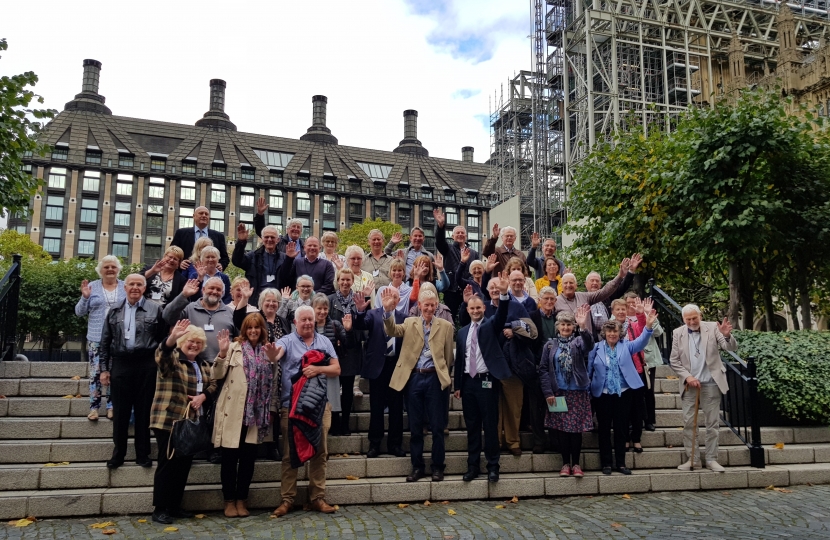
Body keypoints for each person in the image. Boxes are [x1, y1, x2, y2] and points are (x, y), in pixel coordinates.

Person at [271, 306, 341, 517]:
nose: (308, 323)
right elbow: (276, 354)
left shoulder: (324, 342)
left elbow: (336, 369)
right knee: (290, 453)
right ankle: (287, 499)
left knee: (320, 452)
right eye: (304, 320)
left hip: (320, 406)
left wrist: (317, 369)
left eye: (311, 319)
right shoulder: (287, 341)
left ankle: (317, 498)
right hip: (290, 405)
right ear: (295, 321)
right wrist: (272, 354)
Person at [381, 287, 454, 482]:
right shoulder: (409, 322)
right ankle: (417, 466)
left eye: (432, 305)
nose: (429, 308)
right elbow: (392, 330)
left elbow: (448, 357)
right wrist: (388, 312)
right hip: (414, 378)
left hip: (434, 378)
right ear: (419, 306)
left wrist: (443, 374)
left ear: (436, 306)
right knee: (415, 426)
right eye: (426, 305)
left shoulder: (446, 326)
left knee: (438, 426)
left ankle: (438, 466)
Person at [212, 316, 281, 518]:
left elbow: (273, 380)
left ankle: (242, 499)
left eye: (257, 327)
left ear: (262, 329)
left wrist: (272, 360)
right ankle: (229, 501)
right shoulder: (234, 347)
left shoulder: (267, 349)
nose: (253, 331)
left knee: (248, 460)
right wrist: (222, 353)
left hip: (256, 415)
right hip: (233, 411)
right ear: (244, 329)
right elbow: (215, 375)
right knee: (229, 460)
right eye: (249, 327)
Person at [149, 320, 217, 525]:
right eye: (190, 341)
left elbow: (213, 383)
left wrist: (202, 396)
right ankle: (160, 508)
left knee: (183, 465)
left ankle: (174, 506)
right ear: (182, 341)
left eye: (198, 342)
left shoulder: (203, 365)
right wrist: (171, 339)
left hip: (190, 423)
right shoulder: (173, 359)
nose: (194, 345)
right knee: (167, 464)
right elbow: (161, 356)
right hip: (168, 419)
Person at [99, 274, 167, 470]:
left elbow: (163, 340)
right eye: (132, 284)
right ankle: (118, 454)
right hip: (121, 363)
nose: (135, 287)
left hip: (146, 364)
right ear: (125, 287)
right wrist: (104, 369)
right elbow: (105, 342)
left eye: (139, 284)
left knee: (144, 410)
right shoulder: (114, 310)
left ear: (144, 288)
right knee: (120, 412)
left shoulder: (156, 309)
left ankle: (142, 454)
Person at [453, 275, 512, 482]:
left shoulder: (490, 326)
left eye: (479, 308)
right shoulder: (461, 333)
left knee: (490, 424)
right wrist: (457, 386)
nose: (476, 311)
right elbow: (460, 359)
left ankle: (493, 466)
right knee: (472, 426)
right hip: (468, 383)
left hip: (487, 382)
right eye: (472, 308)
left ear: (484, 308)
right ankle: (473, 466)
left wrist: (504, 294)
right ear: (467, 311)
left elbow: (502, 315)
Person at [588, 311, 657, 475]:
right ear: (604, 333)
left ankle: (620, 463)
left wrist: (648, 326)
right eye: (609, 331)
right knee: (604, 429)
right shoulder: (596, 348)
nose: (612, 334)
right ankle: (606, 463)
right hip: (602, 394)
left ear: (620, 333)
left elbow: (642, 342)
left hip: (623, 393)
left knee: (621, 429)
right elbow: (589, 369)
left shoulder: (627, 346)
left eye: (615, 331)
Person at [670, 305, 737, 473]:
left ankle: (712, 459)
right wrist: (688, 376)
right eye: (688, 319)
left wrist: (727, 335)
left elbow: (730, 347)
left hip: (711, 383)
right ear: (683, 319)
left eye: (695, 318)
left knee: (712, 423)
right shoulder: (678, 333)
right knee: (688, 424)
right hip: (689, 385)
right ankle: (693, 459)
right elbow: (674, 360)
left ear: (700, 315)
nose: (692, 322)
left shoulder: (713, 328)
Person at [232, 286, 289, 462]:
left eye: (274, 301)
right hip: (258, 369)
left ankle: (271, 445)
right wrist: (244, 299)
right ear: (261, 303)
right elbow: (238, 319)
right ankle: (256, 444)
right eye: (268, 301)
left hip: (279, 370)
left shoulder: (283, 321)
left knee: (274, 407)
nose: (271, 304)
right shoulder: (256, 319)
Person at [538, 308, 593, 477]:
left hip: (577, 392)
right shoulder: (549, 345)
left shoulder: (578, 342)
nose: (566, 327)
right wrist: (548, 392)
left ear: (573, 326)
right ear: (557, 326)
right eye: (563, 324)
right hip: (558, 392)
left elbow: (589, 345)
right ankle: (565, 464)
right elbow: (543, 369)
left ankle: (576, 464)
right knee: (561, 430)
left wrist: (583, 327)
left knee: (576, 430)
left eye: (569, 324)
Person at [354, 288, 406, 458]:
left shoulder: (404, 318)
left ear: (398, 301)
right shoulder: (373, 314)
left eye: (395, 297)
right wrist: (361, 311)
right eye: (388, 297)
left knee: (396, 408)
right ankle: (374, 444)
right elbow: (360, 325)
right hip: (378, 367)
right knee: (376, 408)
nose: (391, 300)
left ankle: (395, 444)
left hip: (396, 368)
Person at [76, 255, 125, 421]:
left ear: (118, 269)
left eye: (113, 266)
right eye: (106, 267)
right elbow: (79, 312)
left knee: (115, 372)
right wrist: (85, 297)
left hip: (118, 337)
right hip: (97, 337)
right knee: (96, 373)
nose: (110, 269)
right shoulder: (92, 286)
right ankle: (94, 407)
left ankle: (112, 406)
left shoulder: (125, 286)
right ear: (100, 270)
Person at [327, 268, 367, 435]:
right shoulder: (330, 300)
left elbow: (364, 323)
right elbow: (325, 320)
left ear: (352, 281)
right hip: (334, 350)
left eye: (348, 280)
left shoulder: (359, 299)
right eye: (342, 279)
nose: (345, 283)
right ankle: (334, 423)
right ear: (337, 280)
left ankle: (345, 423)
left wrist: (351, 332)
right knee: (334, 388)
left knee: (348, 389)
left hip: (351, 349)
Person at [555, 256, 633, 340]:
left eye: (571, 282)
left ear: (576, 285)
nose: (568, 285)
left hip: (587, 341)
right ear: (561, 286)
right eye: (565, 283)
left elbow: (605, 291)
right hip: (566, 341)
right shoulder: (555, 301)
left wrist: (620, 276)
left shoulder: (584, 296)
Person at [163, 277, 236, 363]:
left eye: (218, 289)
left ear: (222, 293)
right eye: (211, 288)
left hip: (222, 365)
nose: (215, 291)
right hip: (192, 365)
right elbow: (167, 317)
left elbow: (238, 339)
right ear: (203, 289)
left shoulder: (230, 313)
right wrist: (184, 295)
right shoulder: (189, 308)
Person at [312, 293, 349, 434]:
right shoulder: (308, 324)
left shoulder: (335, 324)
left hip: (330, 367)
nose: (322, 312)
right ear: (313, 308)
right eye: (319, 308)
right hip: (314, 369)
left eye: (325, 308)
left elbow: (347, 343)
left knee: (333, 398)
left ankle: (334, 426)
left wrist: (348, 330)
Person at [434, 208, 478, 323]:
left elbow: (476, 271)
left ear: (466, 236)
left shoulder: (473, 253)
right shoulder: (448, 248)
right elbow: (439, 242)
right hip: (451, 290)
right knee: (450, 319)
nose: (460, 234)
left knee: (467, 318)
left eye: (462, 233)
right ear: (453, 236)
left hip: (467, 289)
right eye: (457, 233)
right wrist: (440, 226)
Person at [232, 223, 291, 304]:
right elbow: (237, 261)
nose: (269, 239)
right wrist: (241, 242)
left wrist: (290, 259)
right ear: (262, 239)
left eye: (272, 237)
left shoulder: (285, 258)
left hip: (277, 300)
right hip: (256, 299)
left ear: (278, 240)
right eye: (266, 237)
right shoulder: (253, 256)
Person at [170, 206, 229, 271]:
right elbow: (172, 252)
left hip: (210, 276)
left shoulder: (219, 236)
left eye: (206, 214)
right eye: (201, 213)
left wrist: (221, 265)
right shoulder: (181, 233)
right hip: (186, 275)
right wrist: (179, 263)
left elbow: (225, 258)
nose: (204, 215)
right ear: (194, 216)